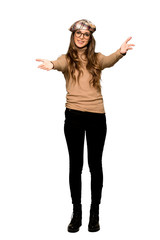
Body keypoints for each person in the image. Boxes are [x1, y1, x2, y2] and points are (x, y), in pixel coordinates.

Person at [36, 19, 135, 233]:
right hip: (73, 117)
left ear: (90, 38)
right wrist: (51, 64)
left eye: (86, 34)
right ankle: (77, 213)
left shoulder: (97, 59)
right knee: (75, 166)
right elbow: (57, 64)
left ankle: (94, 214)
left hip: (97, 117)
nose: (82, 37)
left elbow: (109, 60)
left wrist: (121, 51)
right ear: (73, 36)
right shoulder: (66, 59)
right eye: (78, 34)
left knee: (95, 165)